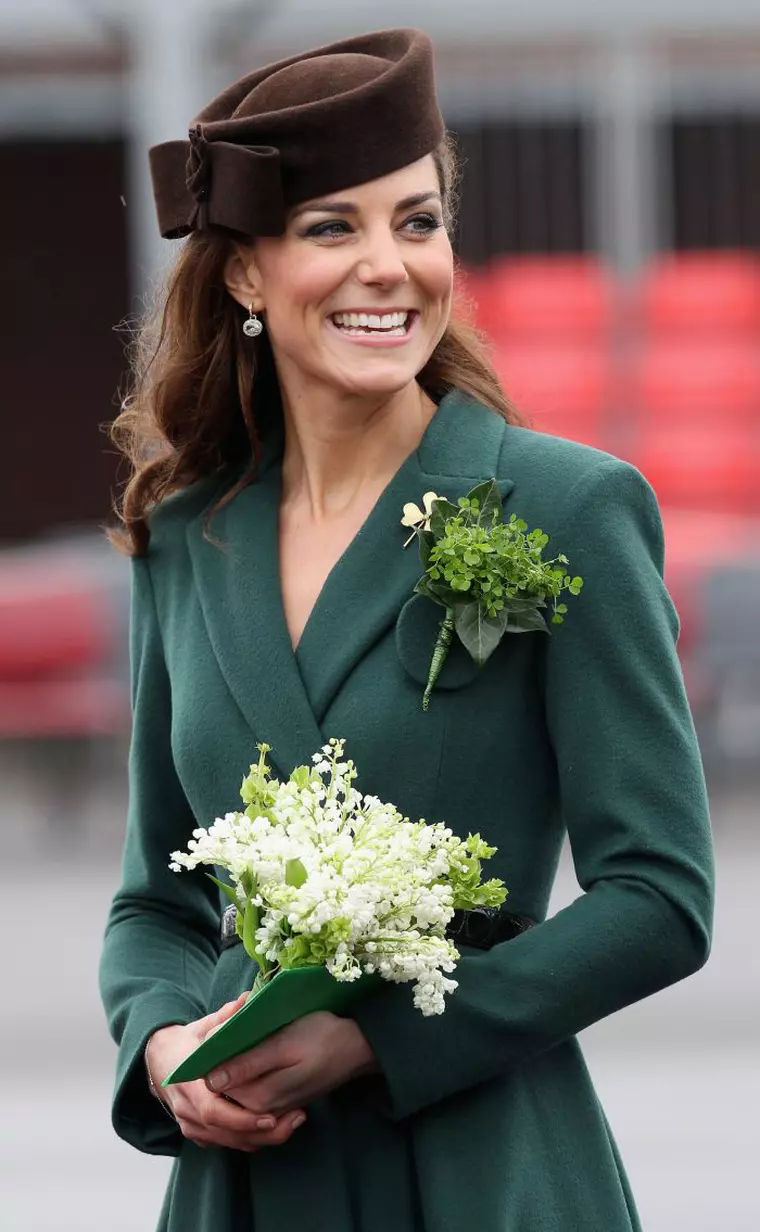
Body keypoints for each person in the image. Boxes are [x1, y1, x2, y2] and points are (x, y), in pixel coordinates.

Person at [99, 27, 715, 1232]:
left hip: (484, 1160)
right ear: (242, 274)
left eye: (417, 222)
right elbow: (156, 903)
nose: (389, 265)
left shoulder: (566, 506)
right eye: (333, 227)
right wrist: (165, 1040)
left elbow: (659, 895)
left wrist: (375, 1036)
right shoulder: (186, 536)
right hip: (250, 1185)